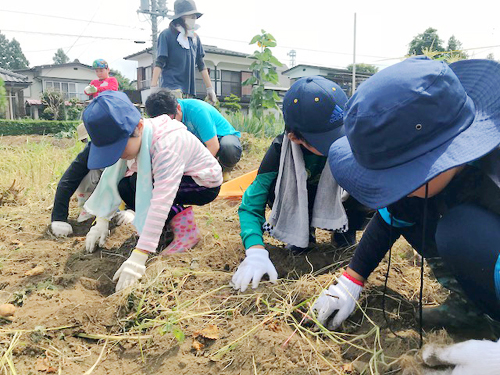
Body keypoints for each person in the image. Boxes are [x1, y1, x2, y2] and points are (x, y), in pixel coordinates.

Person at [312, 57, 500, 342]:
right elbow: (389, 218)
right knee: (411, 206)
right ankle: (469, 304)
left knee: (462, 232)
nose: (395, 186)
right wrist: (351, 280)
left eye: (401, 173)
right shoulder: (428, 181)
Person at [231, 76, 370, 292]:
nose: (338, 144)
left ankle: (345, 229)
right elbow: (250, 206)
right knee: (278, 191)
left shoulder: (351, 141)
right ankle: (301, 233)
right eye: (327, 140)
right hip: (301, 200)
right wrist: (256, 250)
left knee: (367, 184)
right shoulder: (279, 153)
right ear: (295, 137)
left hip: (340, 197)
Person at [81, 91, 222, 292]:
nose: (117, 155)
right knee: (126, 186)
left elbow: (161, 199)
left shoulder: (167, 144)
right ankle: (165, 228)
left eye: (118, 148)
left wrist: (140, 255)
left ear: (138, 126)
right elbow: (111, 178)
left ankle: (186, 230)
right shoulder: (140, 135)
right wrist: (102, 220)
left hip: (203, 183)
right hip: (175, 178)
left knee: (146, 186)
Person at [145, 89, 242, 180]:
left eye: (170, 120)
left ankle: (224, 170)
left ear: (178, 108)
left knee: (229, 147)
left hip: (220, 138)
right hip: (198, 144)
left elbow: (213, 146)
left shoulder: (197, 111)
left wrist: (192, 171)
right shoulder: (166, 117)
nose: (167, 125)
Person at [149, 0, 217, 103]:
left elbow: (201, 65)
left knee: (186, 118)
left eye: (195, 17)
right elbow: (160, 62)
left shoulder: (194, 38)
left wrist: (209, 89)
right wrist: (153, 87)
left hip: (189, 92)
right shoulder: (167, 35)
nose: (194, 19)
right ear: (181, 17)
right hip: (171, 90)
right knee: (175, 117)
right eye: (191, 16)